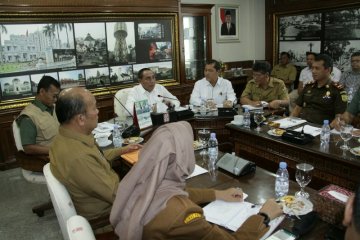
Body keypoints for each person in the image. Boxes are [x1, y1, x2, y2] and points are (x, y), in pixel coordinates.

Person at [110, 121, 283, 240]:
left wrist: (217, 194)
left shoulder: (140, 182)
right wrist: (264, 216)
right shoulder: (184, 215)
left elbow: (181, 195)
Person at [49, 87, 141, 220]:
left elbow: (98, 158)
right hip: (109, 216)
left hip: (108, 196)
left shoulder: (67, 137)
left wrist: (123, 150)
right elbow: (118, 196)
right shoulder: (79, 158)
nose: (98, 111)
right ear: (80, 119)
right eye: (94, 108)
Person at [291, 54, 348, 125]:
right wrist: (289, 124)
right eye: (312, 68)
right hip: (302, 126)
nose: (313, 71)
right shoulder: (308, 86)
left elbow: (338, 119)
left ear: (328, 70)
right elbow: (297, 109)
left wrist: (326, 131)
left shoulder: (337, 90)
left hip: (322, 129)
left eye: (317, 68)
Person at [16, 75, 60, 155]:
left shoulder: (54, 107)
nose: (55, 99)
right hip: (49, 158)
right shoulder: (28, 116)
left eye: (56, 96)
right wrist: (56, 151)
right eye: (53, 96)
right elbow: (28, 148)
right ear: (42, 92)